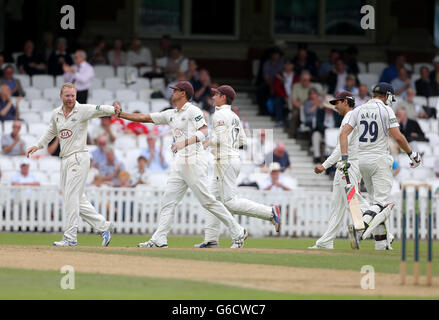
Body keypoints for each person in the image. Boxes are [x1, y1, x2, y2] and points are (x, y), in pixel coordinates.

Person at [115, 80, 249, 248]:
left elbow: (205, 131)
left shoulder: (193, 110)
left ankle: (237, 230)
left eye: (175, 90)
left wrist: (183, 143)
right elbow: (145, 117)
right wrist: (121, 114)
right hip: (180, 163)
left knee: (207, 201)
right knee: (168, 200)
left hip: (193, 161)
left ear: (183, 93)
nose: (172, 93)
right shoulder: (171, 113)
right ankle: (159, 239)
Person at [26, 83, 116, 247]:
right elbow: (50, 132)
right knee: (77, 199)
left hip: (79, 156)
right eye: (67, 96)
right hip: (65, 158)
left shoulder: (81, 110)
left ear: (76, 96)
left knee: (71, 198)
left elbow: (98, 109)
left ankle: (70, 237)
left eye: (73, 96)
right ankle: (104, 227)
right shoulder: (57, 114)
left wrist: (113, 109)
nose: (70, 99)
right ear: (61, 96)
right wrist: (37, 145)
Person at [194, 85, 281, 248]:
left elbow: (218, 138)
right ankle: (211, 239)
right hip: (231, 159)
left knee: (230, 203)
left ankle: (269, 213)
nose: (213, 97)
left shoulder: (219, 114)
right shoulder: (234, 116)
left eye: (216, 95)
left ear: (223, 97)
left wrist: (205, 144)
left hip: (225, 161)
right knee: (211, 201)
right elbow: (242, 140)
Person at [339, 83, 422, 250]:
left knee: (375, 204)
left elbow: (343, 134)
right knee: (382, 204)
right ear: (387, 95)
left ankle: (381, 243)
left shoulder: (359, 110)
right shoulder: (386, 110)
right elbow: (397, 137)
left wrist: (345, 158)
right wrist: (412, 154)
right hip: (379, 160)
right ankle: (359, 227)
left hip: (361, 161)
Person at [310, 92, 364, 250]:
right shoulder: (352, 117)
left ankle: (376, 220)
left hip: (348, 165)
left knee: (353, 201)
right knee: (338, 205)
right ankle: (326, 241)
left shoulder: (349, 118)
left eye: (337, 103)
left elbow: (341, 148)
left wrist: (325, 165)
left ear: (345, 102)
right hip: (349, 165)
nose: (335, 107)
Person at [290, 71, 322, 138]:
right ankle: (293, 134)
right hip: (300, 106)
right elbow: (294, 101)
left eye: (308, 80)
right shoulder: (296, 86)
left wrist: (317, 101)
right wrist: (302, 108)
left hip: (312, 105)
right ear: (301, 80)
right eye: (305, 80)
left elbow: (322, 95)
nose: (307, 82)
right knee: (295, 113)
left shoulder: (313, 85)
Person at [273, 59, 300, 127]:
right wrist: (285, 96)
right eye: (286, 64)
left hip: (294, 97)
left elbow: (298, 88)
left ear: (293, 66)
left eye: (290, 64)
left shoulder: (296, 76)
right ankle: (279, 120)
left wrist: (292, 97)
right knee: (278, 101)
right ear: (284, 65)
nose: (288, 66)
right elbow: (276, 88)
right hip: (282, 96)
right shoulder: (279, 75)